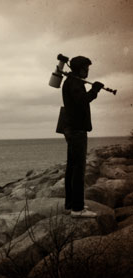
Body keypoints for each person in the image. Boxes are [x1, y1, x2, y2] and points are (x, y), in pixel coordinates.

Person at [62, 56, 104, 218]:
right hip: (77, 131)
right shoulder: (75, 82)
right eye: (86, 68)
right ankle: (78, 209)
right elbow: (82, 101)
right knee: (78, 170)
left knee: (72, 168)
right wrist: (95, 90)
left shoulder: (71, 81)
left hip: (72, 130)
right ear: (80, 69)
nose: (87, 71)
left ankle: (70, 205)